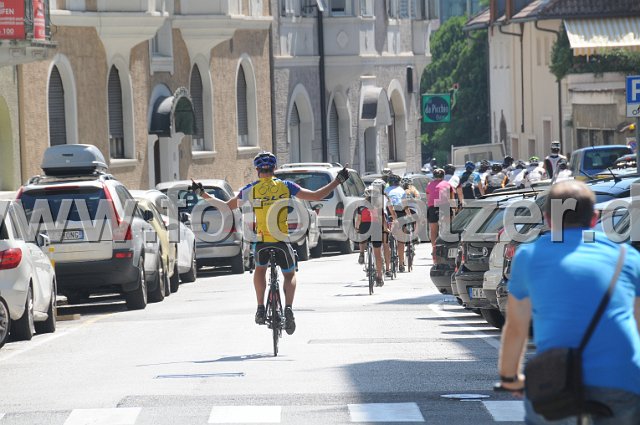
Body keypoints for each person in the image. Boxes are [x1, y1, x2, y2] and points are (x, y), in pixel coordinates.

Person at [498, 180, 640, 424]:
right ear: (594, 218)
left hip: (555, 379)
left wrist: (509, 377)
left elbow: (516, 327)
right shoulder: (628, 257)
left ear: (548, 219)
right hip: (621, 378)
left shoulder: (529, 256)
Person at [191, 151, 349, 335]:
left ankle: (260, 307)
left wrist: (202, 193)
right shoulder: (286, 186)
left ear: (257, 170)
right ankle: (288, 308)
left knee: (260, 270)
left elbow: (226, 206)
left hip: (262, 242)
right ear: (274, 169)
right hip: (281, 240)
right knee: (289, 274)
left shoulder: (251, 189)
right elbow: (315, 196)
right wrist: (338, 180)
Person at [356, 186, 387, 287]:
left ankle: (361, 253)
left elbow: (358, 220)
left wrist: (357, 228)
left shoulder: (361, 206)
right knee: (377, 254)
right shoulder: (378, 206)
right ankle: (379, 277)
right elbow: (382, 220)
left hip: (364, 227)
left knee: (361, 236)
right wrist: (385, 229)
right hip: (376, 227)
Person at [426, 168, 452, 260]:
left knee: (433, 229)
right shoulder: (447, 184)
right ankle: (448, 245)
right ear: (443, 176)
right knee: (448, 226)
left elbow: (428, 198)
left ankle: (434, 248)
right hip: (445, 206)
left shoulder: (429, 184)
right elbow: (451, 197)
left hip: (433, 207)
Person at [384, 174, 407, 273]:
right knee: (401, 240)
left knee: (386, 239)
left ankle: (388, 266)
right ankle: (401, 264)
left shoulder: (385, 190)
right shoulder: (402, 190)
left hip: (388, 212)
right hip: (400, 212)